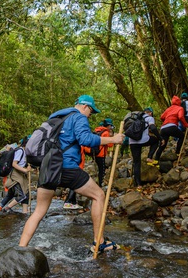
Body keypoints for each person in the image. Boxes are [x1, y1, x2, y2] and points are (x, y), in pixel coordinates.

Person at [18, 95, 124, 252]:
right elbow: (86, 139)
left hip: (48, 167)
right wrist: (113, 140)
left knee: (39, 211)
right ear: (84, 106)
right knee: (99, 195)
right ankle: (99, 242)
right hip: (66, 167)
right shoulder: (78, 117)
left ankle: (20, 249)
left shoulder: (57, 117)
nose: (90, 115)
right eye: (91, 111)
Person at [0, 138, 32, 214]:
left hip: (20, 176)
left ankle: (24, 213)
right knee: (22, 196)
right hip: (16, 177)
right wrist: (25, 170)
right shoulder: (20, 151)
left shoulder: (24, 152)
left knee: (14, 194)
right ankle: (5, 209)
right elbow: (14, 164)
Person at [130, 107, 162, 188]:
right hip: (143, 140)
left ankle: (139, 185)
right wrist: (160, 138)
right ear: (150, 113)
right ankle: (149, 157)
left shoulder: (134, 118)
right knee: (155, 141)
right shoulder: (149, 117)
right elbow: (153, 128)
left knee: (136, 162)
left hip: (132, 142)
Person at [154, 96, 188, 161]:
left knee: (163, 144)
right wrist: (186, 125)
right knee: (182, 136)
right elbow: (181, 117)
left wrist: (166, 121)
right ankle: (178, 152)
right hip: (172, 126)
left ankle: (156, 160)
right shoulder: (180, 108)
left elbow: (161, 117)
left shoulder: (168, 109)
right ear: (179, 102)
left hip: (163, 128)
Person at [91, 118, 114, 187]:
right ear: (108, 125)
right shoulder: (106, 133)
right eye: (110, 126)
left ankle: (98, 183)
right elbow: (110, 144)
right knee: (102, 170)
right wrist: (113, 138)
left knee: (98, 169)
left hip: (95, 152)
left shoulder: (97, 130)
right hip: (101, 153)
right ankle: (101, 184)